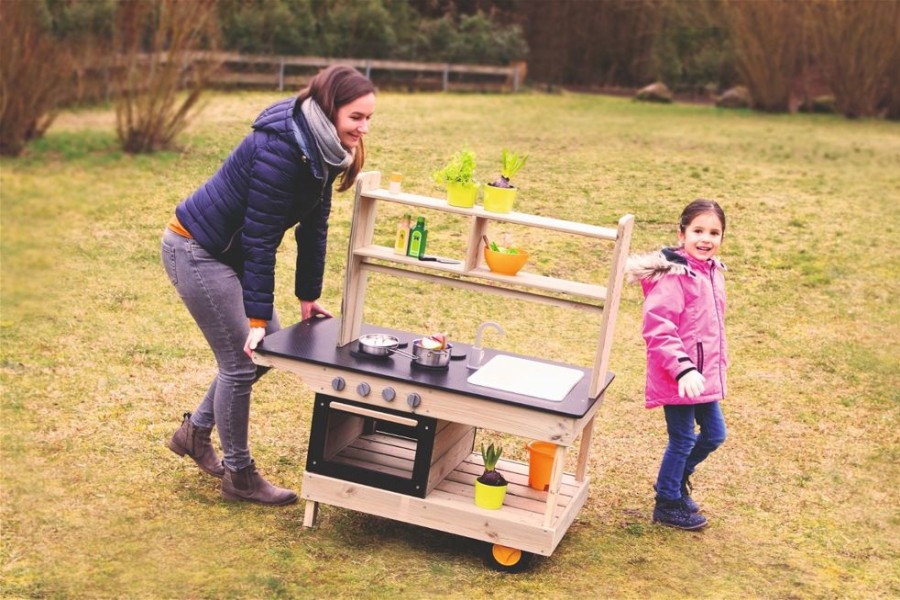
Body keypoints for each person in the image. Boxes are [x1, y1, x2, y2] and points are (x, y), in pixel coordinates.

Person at [161, 65, 376, 506]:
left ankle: (195, 432)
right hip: (197, 248)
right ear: (331, 108)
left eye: (369, 118)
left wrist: (308, 298)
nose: (363, 128)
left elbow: (314, 228)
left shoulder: (322, 147)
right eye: (356, 117)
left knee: (264, 355)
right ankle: (239, 476)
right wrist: (257, 318)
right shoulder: (282, 148)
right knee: (242, 361)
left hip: (228, 252)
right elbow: (260, 237)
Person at [625, 200, 729, 530]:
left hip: (702, 376)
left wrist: (705, 369)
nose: (706, 239)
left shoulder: (711, 271)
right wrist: (683, 368)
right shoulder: (675, 276)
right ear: (681, 233)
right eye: (698, 230)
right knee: (683, 439)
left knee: (714, 434)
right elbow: (658, 328)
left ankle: (673, 481)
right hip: (678, 376)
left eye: (714, 232)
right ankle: (668, 502)